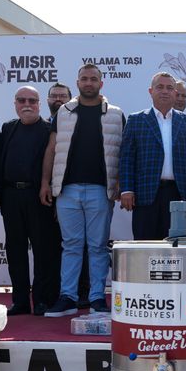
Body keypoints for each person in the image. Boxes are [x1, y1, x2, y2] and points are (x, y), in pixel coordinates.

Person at [41, 64, 124, 315]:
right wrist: (45, 182)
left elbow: (122, 151)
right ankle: (68, 297)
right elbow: (52, 149)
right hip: (67, 190)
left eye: (93, 79)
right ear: (77, 82)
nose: (89, 83)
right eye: (84, 79)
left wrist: (120, 182)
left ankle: (97, 298)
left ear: (101, 83)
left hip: (101, 190)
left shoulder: (116, 114)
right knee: (71, 245)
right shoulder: (64, 112)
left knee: (98, 246)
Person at [0, 86, 60, 317]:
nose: (27, 104)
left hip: (39, 197)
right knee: (15, 251)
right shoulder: (8, 128)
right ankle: (20, 301)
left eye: (32, 100)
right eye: (21, 100)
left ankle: (42, 300)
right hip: (11, 197)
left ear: (40, 104)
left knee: (44, 251)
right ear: (15, 103)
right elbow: (0, 164)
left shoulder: (50, 130)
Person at [119, 72, 186, 240]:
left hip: (178, 194)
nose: (165, 91)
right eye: (160, 87)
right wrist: (126, 189)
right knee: (145, 243)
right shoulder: (136, 120)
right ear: (151, 91)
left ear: (175, 93)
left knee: (176, 245)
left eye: (169, 88)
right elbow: (127, 158)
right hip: (145, 193)